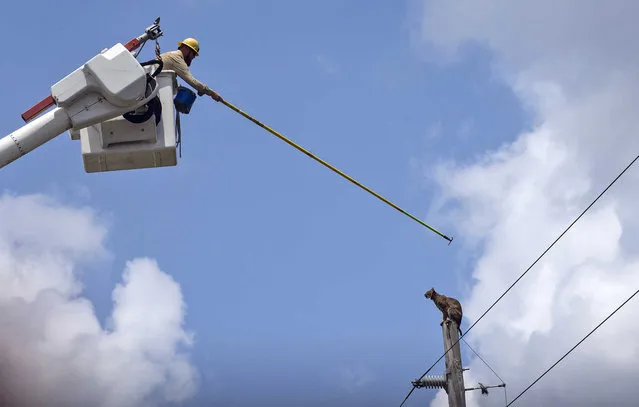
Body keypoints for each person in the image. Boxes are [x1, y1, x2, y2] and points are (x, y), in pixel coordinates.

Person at [159, 37, 223, 102]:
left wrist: (201, 89)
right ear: (186, 48)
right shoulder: (176, 58)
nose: (194, 57)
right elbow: (192, 81)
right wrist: (212, 93)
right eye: (194, 53)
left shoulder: (168, 55)